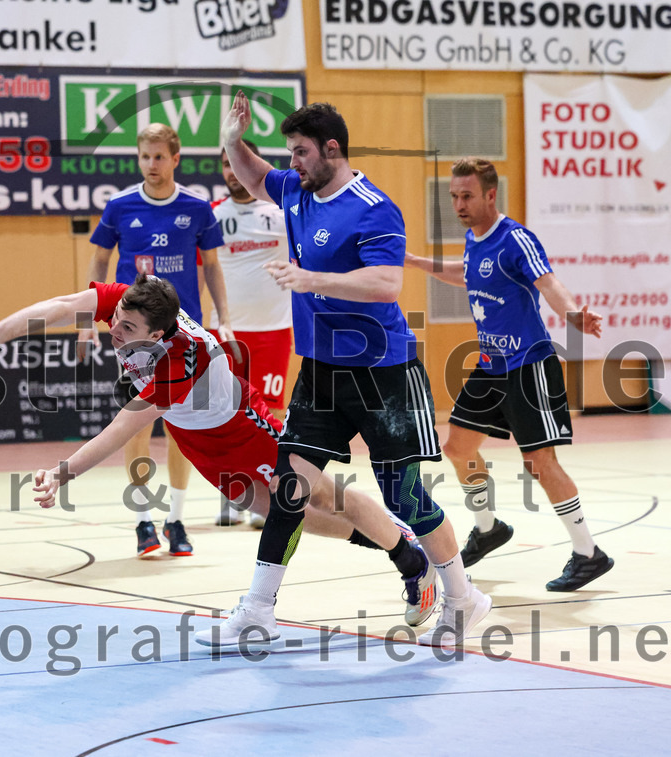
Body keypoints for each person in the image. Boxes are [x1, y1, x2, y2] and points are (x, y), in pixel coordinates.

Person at [0, 274, 441, 628]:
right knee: (272, 512)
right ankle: (389, 539)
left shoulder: (176, 365)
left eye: (127, 330)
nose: (114, 331)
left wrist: (61, 473)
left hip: (242, 428)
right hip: (196, 436)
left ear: (158, 335)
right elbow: (62, 304)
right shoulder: (133, 302)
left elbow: (120, 429)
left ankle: (410, 561)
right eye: (116, 320)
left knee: (320, 496)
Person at [202, 92, 491, 648]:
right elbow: (256, 176)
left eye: (301, 152)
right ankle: (258, 608)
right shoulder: (297, 190)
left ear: (331, 149)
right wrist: (231, 142)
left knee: (405, 499)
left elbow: (386, 283)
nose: (292, 163)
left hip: (383, 372)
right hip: (321, 372)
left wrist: (313, 280)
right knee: (289, 488)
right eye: (290, 152)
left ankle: (463, 597)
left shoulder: (373, 207)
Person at [404, 156, 614, 591]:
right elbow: (468, 274)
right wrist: (416, 262)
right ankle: (488, 529)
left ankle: (588, 553)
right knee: (458, 448)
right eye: (454, 196)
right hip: (490, 365)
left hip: (527, 365)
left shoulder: (515, 238)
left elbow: (548, 282)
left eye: (467, 196)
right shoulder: (473, 238)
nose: (459, 204)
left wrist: (573, 315)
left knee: (540, 462)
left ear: (490, 194)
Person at [81, 123, 234, 558]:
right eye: (145, 156)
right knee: (137, 423)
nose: (151, 164)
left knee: (182, 427)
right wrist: (85, 319)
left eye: (159, 157)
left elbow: (212, 266)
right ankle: (142, 520)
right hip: (133, 336)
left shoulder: (197, 208)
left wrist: (224, 318)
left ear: (175, 158)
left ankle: (176, 519)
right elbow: (99, 260)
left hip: (185, 335)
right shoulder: (120, 205)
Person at [207, 140, 294, 529]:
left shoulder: (282, 211)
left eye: (236, 163)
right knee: (225, 413)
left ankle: (267, 494)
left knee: (270, 414)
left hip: (274, 329)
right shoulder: (212, 214)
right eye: (225, 164)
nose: (231, 171)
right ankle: (232, 493)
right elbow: (202, 270)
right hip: (226, 331)